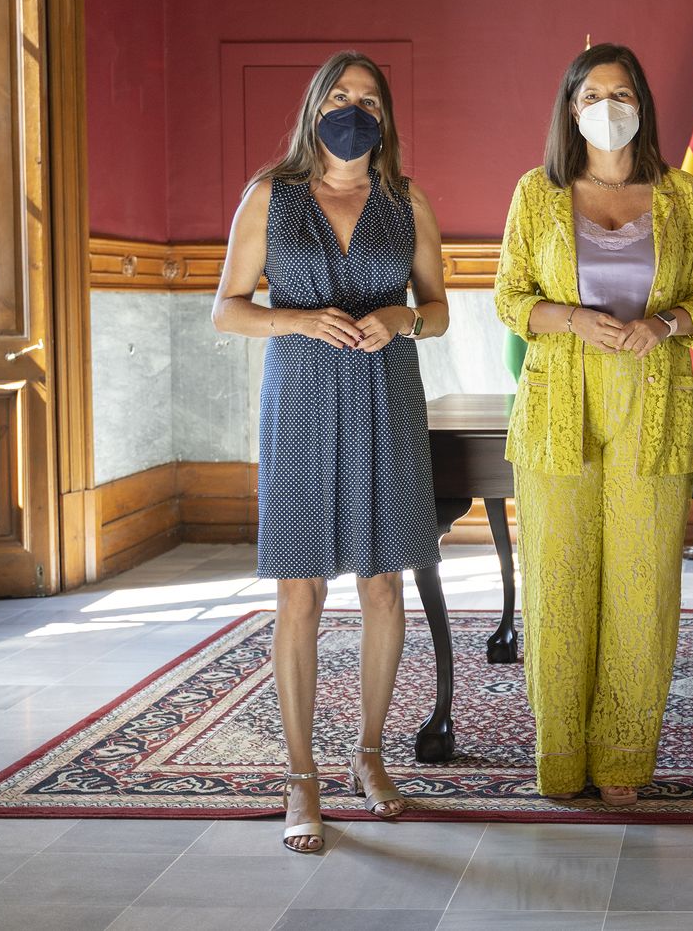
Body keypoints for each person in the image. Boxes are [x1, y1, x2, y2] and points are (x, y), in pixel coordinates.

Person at [212, 51, 449, 853]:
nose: (355, 107)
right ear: (316, 107)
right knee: (300, 593)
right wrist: (298, 321)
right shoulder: (270, 198)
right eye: (341, 95)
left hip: (387, 392)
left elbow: (440, 309)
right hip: (302, 397)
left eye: (370, 98)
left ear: (385, 117)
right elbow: (227, 310)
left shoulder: (405, 199)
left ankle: (371, 755)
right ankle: (302, 776)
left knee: (384, 584)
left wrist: (401, 317)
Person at [495, 43, 693, 807]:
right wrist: (569, 320)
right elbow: (509, 297)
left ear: (642, 106)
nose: (608, 107)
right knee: (557, 584)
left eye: (621, 93)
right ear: (571, 108)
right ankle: (560, 760)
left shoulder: (683, 195)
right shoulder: (538, 193)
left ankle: (623, 758)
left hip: (653, 406)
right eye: (593, 94)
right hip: (558, 406)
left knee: (641, 587)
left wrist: (664, 326)